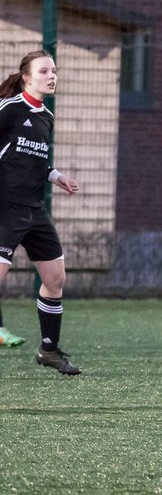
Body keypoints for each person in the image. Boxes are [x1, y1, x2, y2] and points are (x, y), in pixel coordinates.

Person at [0, 50, 82, 374]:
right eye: (45, 71)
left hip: (35, 209)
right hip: (6, 207)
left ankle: (48, 350)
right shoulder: (9, 109)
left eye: (54, 71)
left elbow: (34, 158)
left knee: (55, 278)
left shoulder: (46, 116)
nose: (52, 76)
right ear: (26, 77)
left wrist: (56, 176)